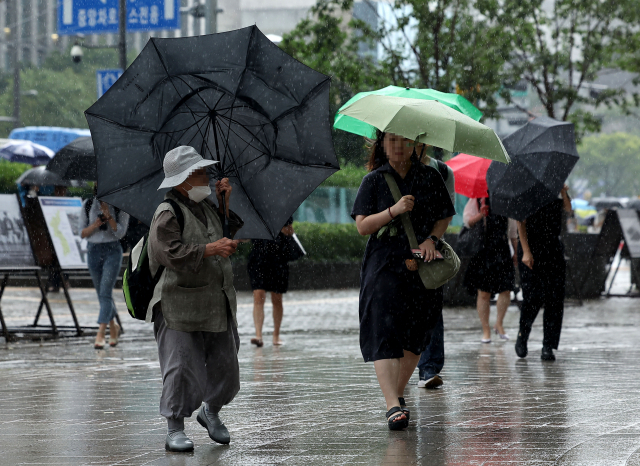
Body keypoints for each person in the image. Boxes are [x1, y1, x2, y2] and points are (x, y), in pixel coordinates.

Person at [352, 132, 455, 430]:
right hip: (383, 263)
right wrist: (393, 211)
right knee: (383, 329)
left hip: (422, 265)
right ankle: (392, 404)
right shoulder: (373, 180)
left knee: (417, 332)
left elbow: (444, 216)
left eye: (405, 141)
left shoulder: (430, 177)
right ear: (383, 145)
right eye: (392, 141)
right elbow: (362, 226)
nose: (398, 147)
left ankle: (396, 393)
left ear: (416, 145)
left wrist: (431, 239)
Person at [147, 146, 243, 452]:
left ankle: (211, 411)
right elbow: (168, 252)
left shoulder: (208, 207)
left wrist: (224, 204)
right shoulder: (167, 213)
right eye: (200, 173)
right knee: (181, 367)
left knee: (225, 368)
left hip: (216, 302)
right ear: (183, 180)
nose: (206, 178)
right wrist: (210, 250)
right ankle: (174, 426)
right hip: (179, 305)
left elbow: (222, 234)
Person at [515, 185, 573, 361]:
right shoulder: (527, 190)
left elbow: (569, 210)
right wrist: (526, 251)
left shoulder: (555, 187)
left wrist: (563, 191)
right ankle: (522, 335)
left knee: (554, 299)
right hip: (530, 250)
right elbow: (520, 223)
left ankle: (548, 345)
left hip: (553, 249)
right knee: (533, 297)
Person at [416, 149, 454, 390]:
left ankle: (428, 368)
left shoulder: (442, 171)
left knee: (430, 308)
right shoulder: (390, 168)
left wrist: (432, 238)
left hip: (430, 249)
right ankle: (401, 362)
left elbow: (446, 213)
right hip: (397, 248)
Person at [80, 184, 129, 349]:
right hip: (93, 251)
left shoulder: (120, 206)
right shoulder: (87, 204)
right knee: (102, 295)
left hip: (112, 250)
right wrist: (95, 224)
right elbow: (82, 233)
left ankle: (101, 332)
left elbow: (121, 233)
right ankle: (113, 327)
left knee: (105, 292)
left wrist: (110, 217)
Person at [462, 197, 517, 343]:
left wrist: (516, 252)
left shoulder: (506, 200)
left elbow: (512, 231)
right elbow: (467, 222)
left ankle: (499, 323)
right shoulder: (477, 199)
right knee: (483, 293)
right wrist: (481, 214)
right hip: (483, 250)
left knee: (506, 289)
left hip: (503, 250)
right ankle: (486, 330)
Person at [248, 217, 295, 347]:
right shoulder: (253, 209)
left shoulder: (282, 210)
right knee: (258, 295)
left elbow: (290, 231)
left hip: (278, 257)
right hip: (258, 258)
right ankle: (258, 335)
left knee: (277, 297)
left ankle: (276, 335)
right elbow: (246, 237)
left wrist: (278, 226)